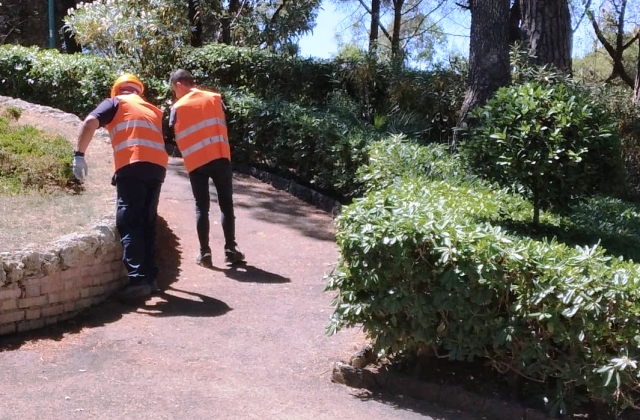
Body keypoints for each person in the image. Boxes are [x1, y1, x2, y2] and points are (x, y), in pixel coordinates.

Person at [73, 73, 169, 299]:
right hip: (157, 168)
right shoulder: (152, 109)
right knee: (147, 221)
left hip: (132, 165)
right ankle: (150, 277)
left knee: (129, 221)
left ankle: (137, 280)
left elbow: (89, 122)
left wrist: (79, 154)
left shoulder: (116, 102)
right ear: (138, 90)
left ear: (117, 90)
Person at [168, 69, 244, 267]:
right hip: (220, 156)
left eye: (174, 89)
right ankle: (230, 249)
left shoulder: (177, 107)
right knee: (226, 204)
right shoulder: (214, 98)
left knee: (201, 207)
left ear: (179, 84)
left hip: (196, 162)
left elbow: (171, 134)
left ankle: (205, 253)